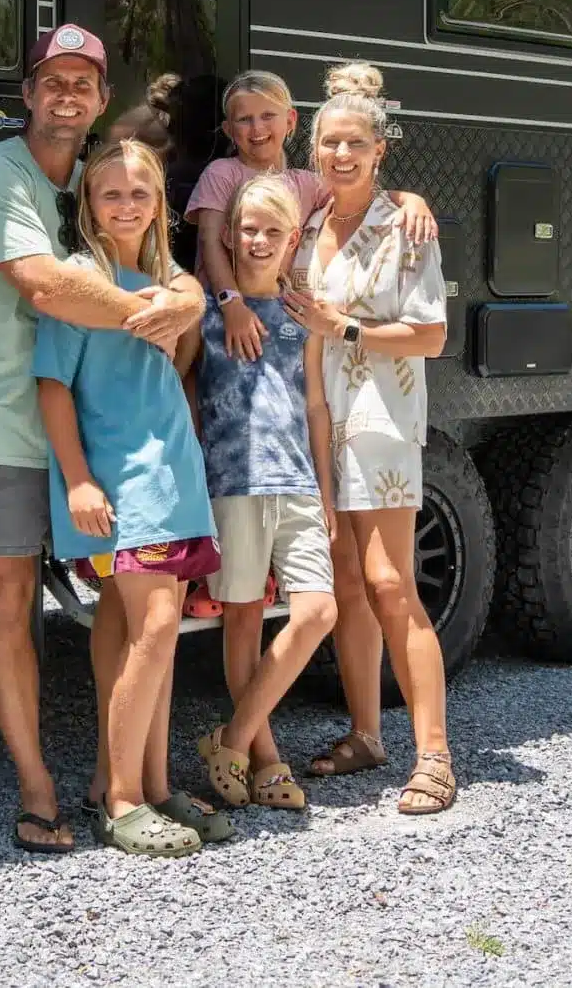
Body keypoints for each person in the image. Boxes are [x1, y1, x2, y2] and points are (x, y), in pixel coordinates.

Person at [0, 23, 206, 855]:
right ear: (28, 94)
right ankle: (36, 785)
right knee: (7, 602)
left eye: (85, 83)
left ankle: (117, 781)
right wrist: (166, 312)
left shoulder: (96, 180)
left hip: (97, 434)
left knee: (126, 603)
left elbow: (154, 250)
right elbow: (50, 286)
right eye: (54, 80)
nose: (68, 94)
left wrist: (189, 294)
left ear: (99, 100)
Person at [35, 138, 227, 858]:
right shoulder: (84, 280)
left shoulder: (165, 275)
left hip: (169, 474)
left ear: (159, 205)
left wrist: (185, 298)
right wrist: (79, 477)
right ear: (89, 202)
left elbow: (188, 301)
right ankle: (120, 800)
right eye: (109, 192)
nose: (125, 204)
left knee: (139, 627)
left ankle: (149, 782)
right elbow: (52, 384)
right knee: (157, 624)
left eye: (139, 193)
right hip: (122, 479)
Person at [284, 62, 458, 816]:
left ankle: (436, 756)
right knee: (347, 582)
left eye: (355, 142)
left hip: (382, 425)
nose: (341, 155)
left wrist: (344, 326)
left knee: (391, 584)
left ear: (380, 149)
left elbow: (432, 335)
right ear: (314, 151)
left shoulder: (406, 226)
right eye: (329, 143)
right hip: (318, 423)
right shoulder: (312, 223)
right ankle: (366, 733)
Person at [187, 172, 339, 814]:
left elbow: (315, 404)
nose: (258, 240)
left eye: (273, 232)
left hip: (297, 481)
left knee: (316, 613)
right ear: (229, 233)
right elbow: (189, 394)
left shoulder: (299, 314)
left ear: (292, 239)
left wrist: (327, 492)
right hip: (233, 482)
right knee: (243, 618)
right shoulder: (204, 311)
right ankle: (267, 757)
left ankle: (230, 738)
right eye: (248, 229)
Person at [186, 68, 437, 366]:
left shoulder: (305, 183)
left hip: (280, 317)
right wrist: (231, 303)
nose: (257, 129)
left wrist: (409, 199)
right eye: (244, 119)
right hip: (225, 311)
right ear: (229, 130)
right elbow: (210, 242)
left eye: (268, 116)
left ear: (291, 121)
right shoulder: (222, 174)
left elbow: (355, 196)